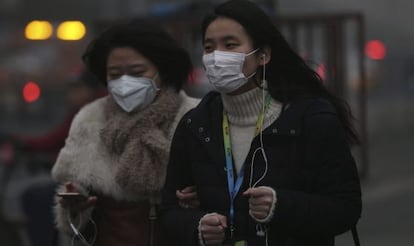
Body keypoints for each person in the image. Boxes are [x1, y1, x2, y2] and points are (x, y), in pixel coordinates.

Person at [161, 0, 362, 245]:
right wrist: (197, 226)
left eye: (230, 45)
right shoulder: (195, 125)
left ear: (263, 55)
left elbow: (346, 208)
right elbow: (169, 210)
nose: (217, 57)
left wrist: (282, 205)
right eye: (209, 47)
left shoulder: (310, 118)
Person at [51, 19, 199, 246]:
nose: (125, 82)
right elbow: (75, 221)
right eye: (115, 74)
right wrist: (76, 207)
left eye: (137, 72)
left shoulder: (193, 117)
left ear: (163, 71)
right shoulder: (90, 119)